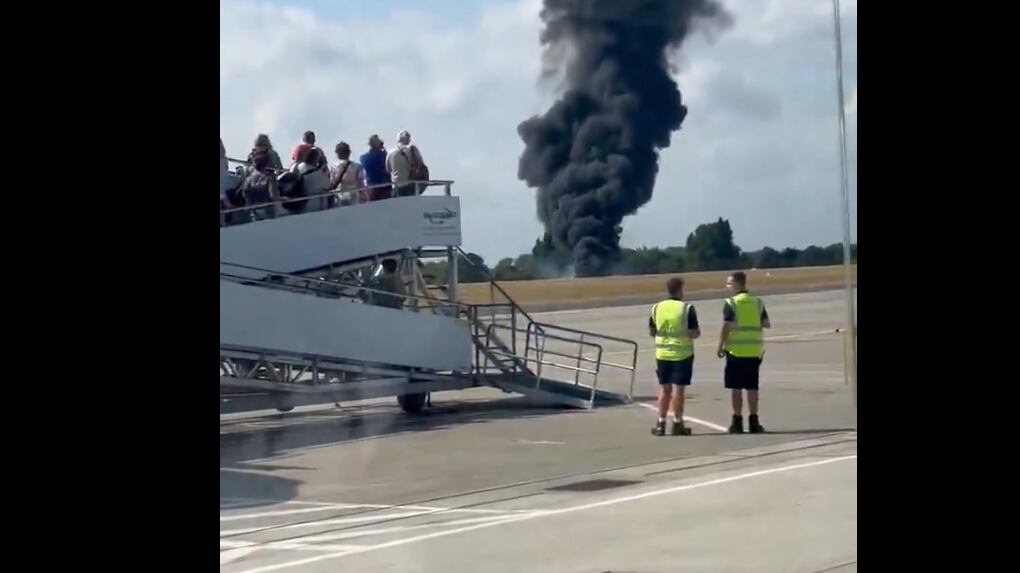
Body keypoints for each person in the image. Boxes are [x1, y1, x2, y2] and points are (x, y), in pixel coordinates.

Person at [716, 271, 770, 434]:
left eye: (729, 283)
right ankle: (754, 421)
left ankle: (737, 421)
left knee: (736, 387)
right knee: (752, 387)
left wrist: (721, 345)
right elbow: (766, 323)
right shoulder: (757, 302)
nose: (727, 286)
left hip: (735, 351)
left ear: (738, 284)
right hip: (754, 350)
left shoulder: (731, 303)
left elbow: (726, 326)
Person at [649, 277, 700, 436]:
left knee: (665, 389)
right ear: (680, 290)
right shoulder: (687, 308)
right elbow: (695, 332)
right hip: (681, 354)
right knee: (679, 390)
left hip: (662, 354)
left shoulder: (657, 308)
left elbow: (652, 331)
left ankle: (661, 423)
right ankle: (677, 422)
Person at [386, 130, 428, 197]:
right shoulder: (412, 149)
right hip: (410, 185)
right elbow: (421, 164)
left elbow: (388, 169)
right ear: (407, 139)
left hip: (396, 186)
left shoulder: (390, 153)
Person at [241, 152, 279, 221]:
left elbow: (246, 200)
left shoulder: (248, 180)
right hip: (269, 212)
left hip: (254, 214)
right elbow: (273, 196)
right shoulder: (270, 178)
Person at [294, 147, 331, 211]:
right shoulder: (319, 173)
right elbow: (327, 185)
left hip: (302, 202)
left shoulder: (297, 167)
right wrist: (324, 164)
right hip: (317, 202)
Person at [330, 141, 367, 206]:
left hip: (339, 196)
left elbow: (332, 183)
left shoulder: (334, 167)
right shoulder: (357, 166)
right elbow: (360, 183)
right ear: (349, 152)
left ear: (338, 153)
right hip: (353, 195)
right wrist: (365, 197)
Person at [360, 134, 391, 201]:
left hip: (371, 187)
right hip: (385, 186)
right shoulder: (384, 155)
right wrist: (383, 148)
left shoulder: (363, 158)